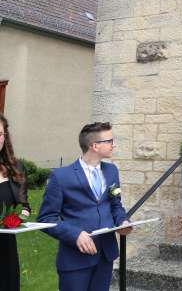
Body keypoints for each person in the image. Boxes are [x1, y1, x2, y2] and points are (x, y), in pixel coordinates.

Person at [38, 122, 131, 291]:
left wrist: (123, 222)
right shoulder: (61, 177)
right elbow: (45, 219)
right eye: (109, 141)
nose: (113, 144)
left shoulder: (112, 171)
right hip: (75, 260)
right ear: (94, 146)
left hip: (105, 255)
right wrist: (75, 235)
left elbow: (115, 205)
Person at [0, 113, 30, 291]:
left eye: (0, 133)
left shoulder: (15, 169)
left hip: (4, 247)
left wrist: (19, 219)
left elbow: (25, 206)